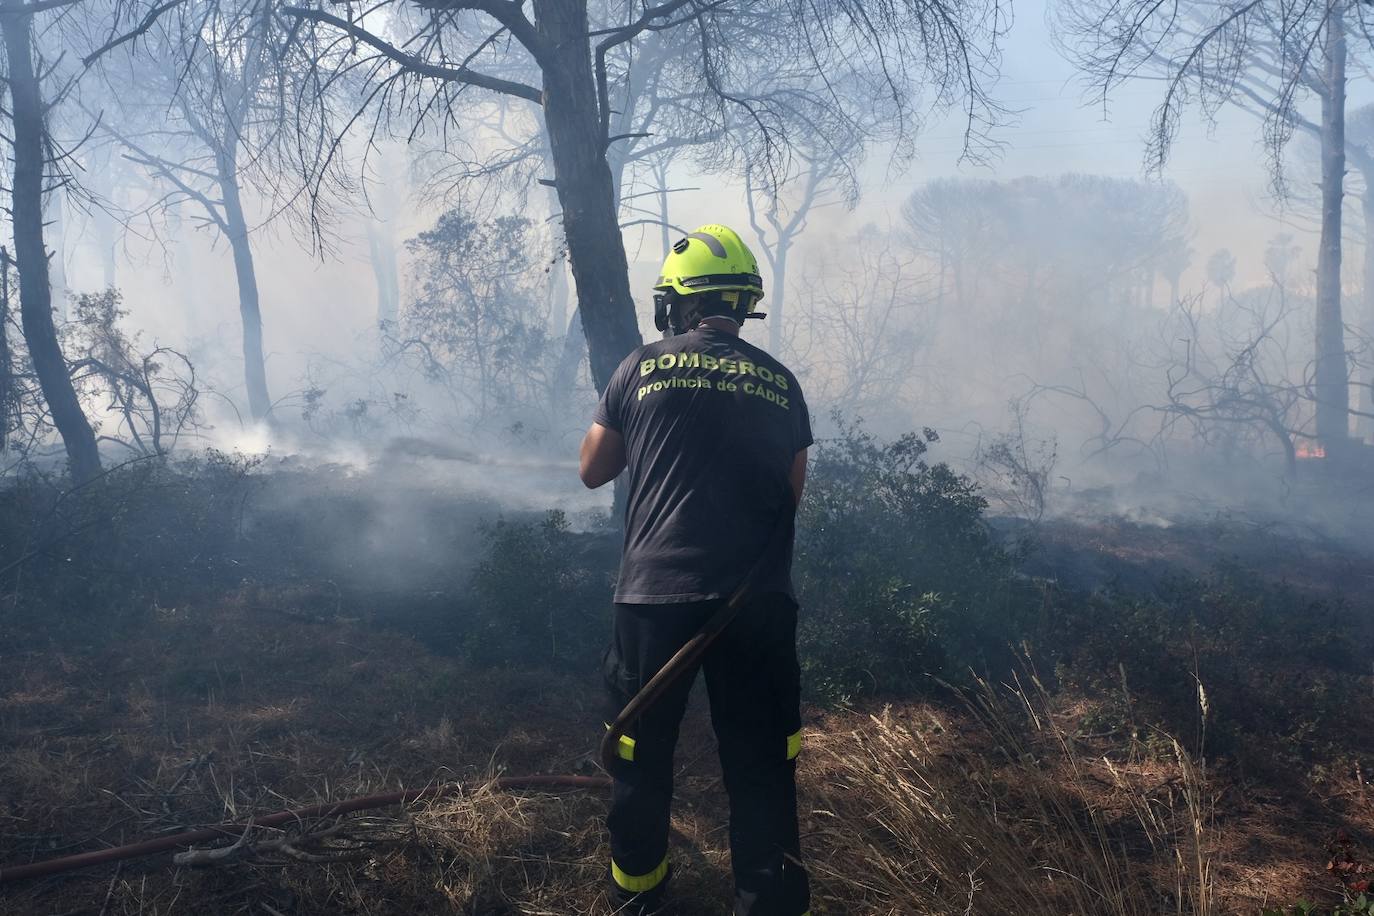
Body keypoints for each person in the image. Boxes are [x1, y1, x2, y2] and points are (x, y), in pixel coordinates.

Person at [578, 224, 812, 916]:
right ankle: (766, 903)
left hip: (654, 597)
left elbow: (592, 471)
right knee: (763, 767)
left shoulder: (640, 366)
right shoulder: (782, 383)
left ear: (677, 303)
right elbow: (790, 497)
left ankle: (641, 902)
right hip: (758, 603)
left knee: (639, 757)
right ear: (742, 305)